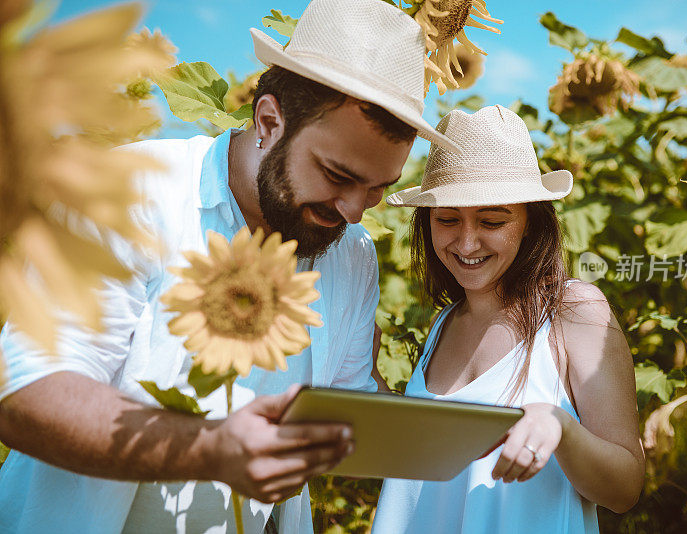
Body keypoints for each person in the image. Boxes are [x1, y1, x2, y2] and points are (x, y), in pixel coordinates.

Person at [0, 0, 461, 532]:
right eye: (337, 175)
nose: (354, 210)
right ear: (268, 121)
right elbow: (28, 395)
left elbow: (346, 407)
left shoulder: (350, 253)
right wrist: (209, 450)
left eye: (378, 190)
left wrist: (466, 413)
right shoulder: (129, 195)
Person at [371, 105, 645, 533]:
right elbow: (428, 465)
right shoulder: (444, 323)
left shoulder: (573, 312)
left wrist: (561, 429)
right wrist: (369, 381)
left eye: (492, 220)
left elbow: (625, 489)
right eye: (446, 219)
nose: (466, 241)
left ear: (530, 223)